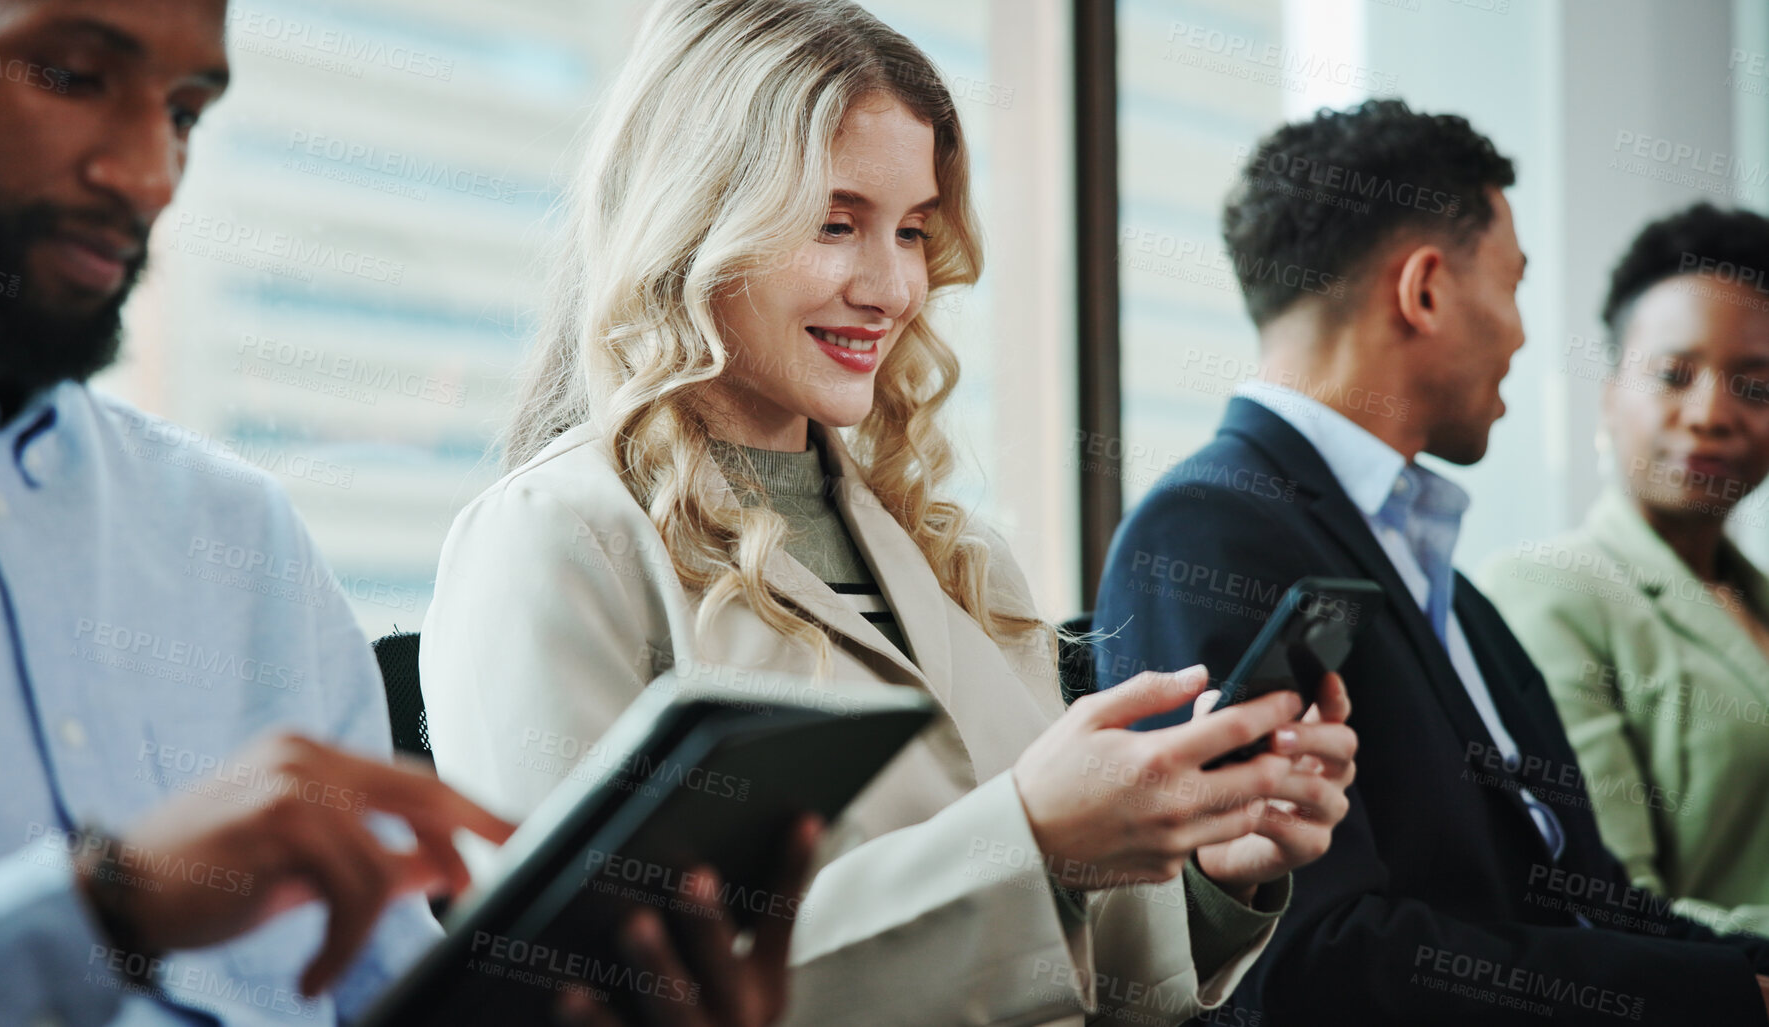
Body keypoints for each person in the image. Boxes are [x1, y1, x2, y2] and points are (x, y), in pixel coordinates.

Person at [0, 1, 800, 1024]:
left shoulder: (238, 536)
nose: (151, 178)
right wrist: (112, 907)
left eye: (187, 114)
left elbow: (385, 997)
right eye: (71, 76)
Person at [419, 2, 1360, 1024]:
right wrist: (1031, 838)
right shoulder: (556, 541)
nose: (895, 285)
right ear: (697, 219)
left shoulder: (963, 561)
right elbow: (584, 996)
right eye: (837, 223)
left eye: (912, 230)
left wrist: (1211, 865)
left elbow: (1107, 982)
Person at [1092, 98, 1769, 1025]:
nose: (1526, 335)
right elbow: (1311, 961)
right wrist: (1731, 997)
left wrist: (1747, 971)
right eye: (1514, 285)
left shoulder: (1435, 571)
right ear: (1423, 289)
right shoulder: (1209, 529)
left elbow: (1593, 901)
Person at [1478, 203, 1769, 939]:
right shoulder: (1544, 592)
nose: (1710, 413)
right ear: (1609, 398)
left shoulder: (1755, 597)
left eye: (1754, 386)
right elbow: (1608, 910)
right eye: (1674, 374)